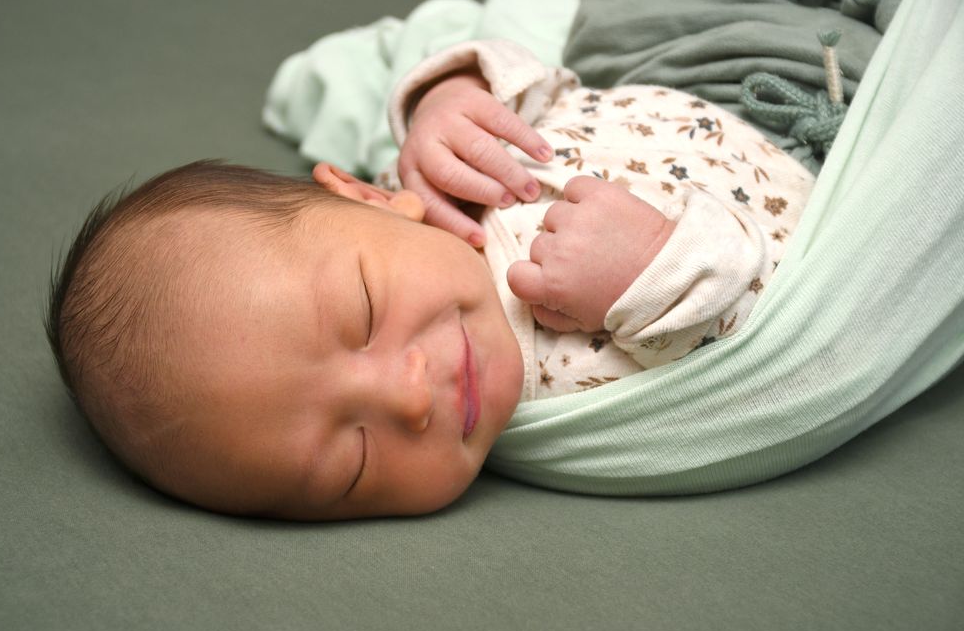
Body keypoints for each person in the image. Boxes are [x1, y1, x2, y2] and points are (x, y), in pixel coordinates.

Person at [46, 39, 814, 521]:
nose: (410, 397)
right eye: (352, 463)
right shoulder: (569, 399)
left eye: (364, 313)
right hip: (810, 130)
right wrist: (652, 274)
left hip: (684, 48)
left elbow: (539, 81)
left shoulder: (425, 181)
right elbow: (774, 347)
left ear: (368, 197)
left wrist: (446, 100)